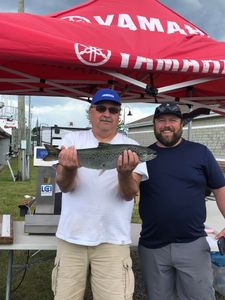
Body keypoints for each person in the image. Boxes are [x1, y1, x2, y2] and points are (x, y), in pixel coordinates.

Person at [51, 88, 148, 300]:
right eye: (101, 108)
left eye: (113, 110)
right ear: (91, 112)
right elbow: (65, 186)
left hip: (113, 240)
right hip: (71, 238)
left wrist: (124, 173)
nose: (107, 113)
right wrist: (68, 168)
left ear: (119, 116)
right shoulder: (72, 139)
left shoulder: (133, 147)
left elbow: (129, 194)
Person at [138, 102, 225, 300]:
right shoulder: (142, 156)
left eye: (172, 120)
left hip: (192, 243)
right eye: (161, 120)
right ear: (154, 124)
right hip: (153, 246)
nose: (167, 125)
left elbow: (220, 188)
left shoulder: (200, 152)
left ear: (181, 124)